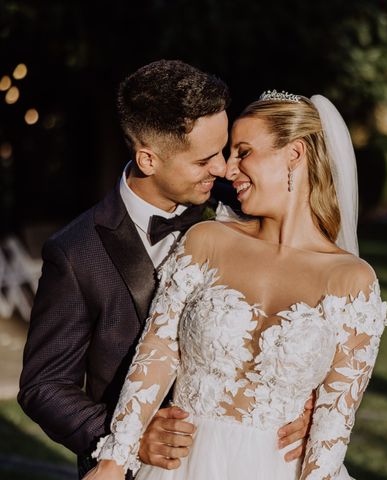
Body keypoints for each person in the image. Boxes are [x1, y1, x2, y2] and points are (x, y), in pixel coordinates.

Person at [17, 61, 312, 479]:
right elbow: (43, 386)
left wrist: (308, 400)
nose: (224, 168)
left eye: (225, 150)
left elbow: (305, 314)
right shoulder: (74, 252)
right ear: (148, 159)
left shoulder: (244, 211)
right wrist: (124, 437)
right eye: (204, 159)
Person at [84, 91, 387, 480]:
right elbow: (158, 352)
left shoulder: (352, 281)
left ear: (294, 155)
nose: (228, 170)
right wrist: (114, 459)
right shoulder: (207, 240)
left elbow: (332, 430)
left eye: (243, 152)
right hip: (180, 468)